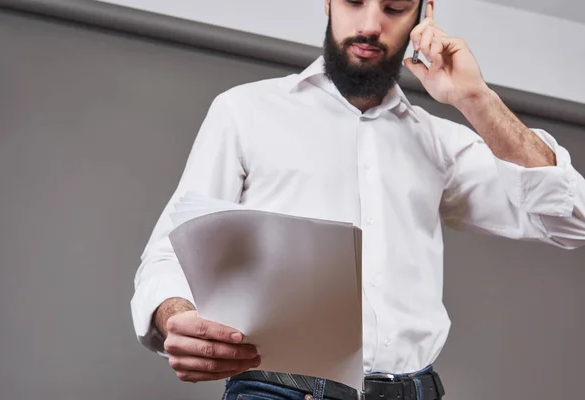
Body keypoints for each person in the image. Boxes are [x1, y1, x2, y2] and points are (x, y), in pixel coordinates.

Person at [130, 0, 585, 399]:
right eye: (353, 1)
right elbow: (169, 253)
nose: (370, 25)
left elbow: (570, 221)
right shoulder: (243, 112)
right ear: (328, 2)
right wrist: (176, 318)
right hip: (278, 390)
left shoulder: (441, 143)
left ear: (424, 15)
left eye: (393, 8)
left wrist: (475, 98)